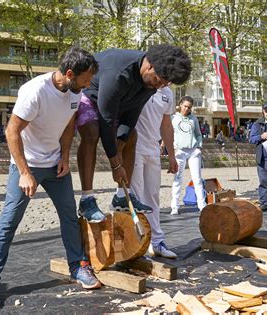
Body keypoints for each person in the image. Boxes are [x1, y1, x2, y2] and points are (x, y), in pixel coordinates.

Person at [0, 48, 100, 311]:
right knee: (9, 221)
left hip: (56, 165)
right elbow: (11, 131)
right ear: (69, 74)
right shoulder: (35, 91)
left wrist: (64, 156)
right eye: (86, 79)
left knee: (69, 216)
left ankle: (78, 267)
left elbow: (68, 124)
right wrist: (24, 172)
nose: (89, 85)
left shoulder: (75, 93)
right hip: (27, 165)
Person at [75, 44, 191, 222]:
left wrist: (119, 151)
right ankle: (87, 199)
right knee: (91, 132)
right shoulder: (118, 74)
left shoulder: (151, 82)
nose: (161, 86)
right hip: (90, 93)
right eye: (160, 80)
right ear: (150, 66)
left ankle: (122, 195)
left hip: (119, 102)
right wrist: (115, 164)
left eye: (166, 83)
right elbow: (107, 122)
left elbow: (131, 117)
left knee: (131, 135)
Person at [130, 87, 178, 258]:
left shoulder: (168, 93)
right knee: (135, 196)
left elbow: (166, 125)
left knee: (153, 195)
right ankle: (136, 243)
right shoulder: (140, 84)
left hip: (153, 149)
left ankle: (156, 241)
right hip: (133, 147)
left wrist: (171, 155)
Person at [170, 96, 206, 214]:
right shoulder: (173, 118)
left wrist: (199, 146)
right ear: (180, 105)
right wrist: (169, 148)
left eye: (189, 107)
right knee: (177, 178)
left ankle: (202, 205)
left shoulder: (193, 119)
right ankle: (174, 206)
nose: (186, 109)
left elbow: (198, 134)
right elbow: (168, 133)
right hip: (179, 151)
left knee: (197, 179)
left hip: (193, 151)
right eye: (185, 106)